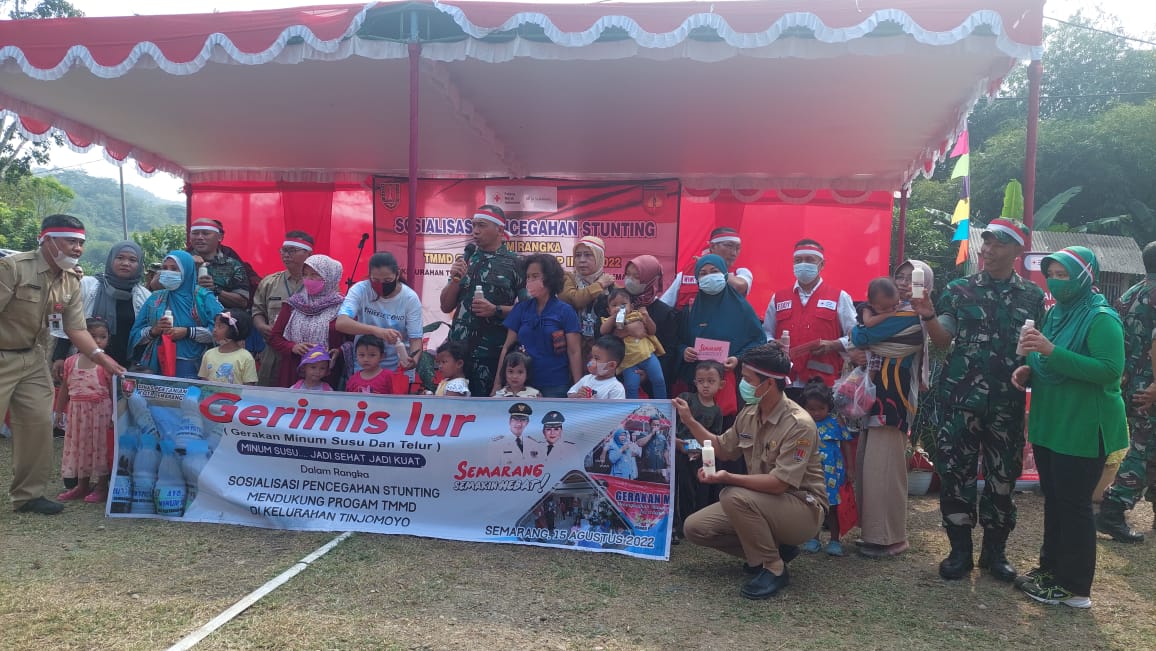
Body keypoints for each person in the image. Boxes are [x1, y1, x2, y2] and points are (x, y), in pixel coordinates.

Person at [912, 218, 1046, 581]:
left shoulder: (1033, 297)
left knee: (1004, 478)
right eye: (986, 243)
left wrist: (1031, 370)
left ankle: (994, 553)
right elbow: (943, 339)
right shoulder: (959, 290)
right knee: (956, 474)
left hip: (1007, 403)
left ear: (1017, 250)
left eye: (998, 244)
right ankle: (959, 552)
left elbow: (1037, 348)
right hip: (960, 400)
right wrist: (928, 316)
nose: (988, 250)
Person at [1011, 246, 1128, 608]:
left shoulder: (1101, 318)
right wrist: (1030, 369)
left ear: (1085, 276)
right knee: (1055, 501)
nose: (1056, 282)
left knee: (1074, 505)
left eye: (1064, 275)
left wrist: (1050, 352)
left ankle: (1075, 589)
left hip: (1083, 425)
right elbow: (1047, 360)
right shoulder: (1056, 314)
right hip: (1052, 422)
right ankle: (1051, 571)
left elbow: (1110, 371)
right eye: (1052, 275)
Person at [674, 342, 827, 600]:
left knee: (732, 495)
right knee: (695, 528)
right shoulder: (749, 414)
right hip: (763, 503)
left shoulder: (799, 424)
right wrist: (689, 420)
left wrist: (728, 478)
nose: (742, 384)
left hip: (802, 508)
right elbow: (722, 448)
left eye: (747, 379)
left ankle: (773, 567)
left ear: (769, 384)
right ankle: (776, 550)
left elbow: (780, 484)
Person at [0, 214, 125, 515]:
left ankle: (27, 496)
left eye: (81, 242)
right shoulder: (12, 268)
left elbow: (76, 328)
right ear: (48, 240)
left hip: (33, 357)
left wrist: (104, 360)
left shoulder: (71, 279)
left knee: (38, 424)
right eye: (71, 241)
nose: (78, 248)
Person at [849, 261, 933, 559]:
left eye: (913, 278)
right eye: (900, 276)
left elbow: (861, 337)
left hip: (893, 398)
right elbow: (861, 337)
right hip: (878, 396)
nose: (904, 283)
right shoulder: (896, 312)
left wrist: (863, 331)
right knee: (870, 465)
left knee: (884, 467)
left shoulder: (911, 316)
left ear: (926, 285)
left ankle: (890, 537)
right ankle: (875, 533)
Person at [1096, 241, 1156, 543]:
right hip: (1150, 388)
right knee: (1143, 450)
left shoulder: (1130, 293)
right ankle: (1112, 510)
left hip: (1129, 383)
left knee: (1149, 447)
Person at [442, 205, 524, 397]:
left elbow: (528, 309)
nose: (475, 231)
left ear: (499, 230)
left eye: (481, 225)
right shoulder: (466, 260)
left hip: (491, 356)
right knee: (455, 409)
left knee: (486, 409)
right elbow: (445, 306)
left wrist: (496, 310)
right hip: (458, 356)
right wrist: (455, 280)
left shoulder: (516, 263)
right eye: (473, 225)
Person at [677, 254, 767, 415]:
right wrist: (684, 351)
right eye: (703, 273)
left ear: (725, 274)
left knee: (730, 425)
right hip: (698, 386)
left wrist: (738, 358)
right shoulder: (690, 309)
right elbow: (677, 341)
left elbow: (759, 341)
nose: (709, 276)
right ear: (697, 279)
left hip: (733, 384)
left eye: (714, 271)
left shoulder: (742, 308)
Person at [762, 239, 857, 389]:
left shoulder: (839, 297)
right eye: (798, 260)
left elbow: (855, 336)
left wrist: (833, 345)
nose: (803, 264)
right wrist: (772, 343)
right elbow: (766, 333)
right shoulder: (778, 298)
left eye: (809, 260)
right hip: (784, 381)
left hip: (822, 386)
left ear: (822, 265)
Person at [53, 240, 150, 373]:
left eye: (132, 260)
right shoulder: (87, 286)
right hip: (85, 365)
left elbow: (144, 336)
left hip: (126, 368)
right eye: (120, 258)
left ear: (139, 265)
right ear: (111, 260)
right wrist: (59, 356)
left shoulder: (144, 296)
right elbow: (68, 320)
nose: (125, 263)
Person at [494, 253, 582, 398]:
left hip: (555, 385)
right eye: (528, 277)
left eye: (535, 276)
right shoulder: (521, 308)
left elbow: (574, 351)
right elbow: (506, 348)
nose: (530, 281)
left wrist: (577, 387)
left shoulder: (565, 311)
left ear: (549, 278)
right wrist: (497, 383)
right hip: (522, 386)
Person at [129, 250, 225, 379]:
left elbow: (221, 332)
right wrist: (154, 331)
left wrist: (188, 332)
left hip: (194, 367)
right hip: (157, 364)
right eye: (165, 268)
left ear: (187, 270)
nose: (168, 272)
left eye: (174, 269)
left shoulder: (203, 298)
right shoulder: (155, 298)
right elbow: (135, 334)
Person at [53, 318, 115, 504]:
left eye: (102, 337)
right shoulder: (70, 362)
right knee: (80, 448)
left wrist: (114, 415)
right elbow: (65, 389)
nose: (97, 341)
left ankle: (102, 486)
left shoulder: (107, 363)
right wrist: (58, 412)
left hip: (100, 414)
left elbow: (113, 391)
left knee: (100, 448)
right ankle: (82, 485)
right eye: (92, 336)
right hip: (77, 414)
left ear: (108, 339)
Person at [335, 251, 424, 376]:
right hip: (365, 369)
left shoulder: (410, 298)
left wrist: (413, 360)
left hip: (398, 370)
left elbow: (416, 338)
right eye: (375, 280)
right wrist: (376, 331)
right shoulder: (360, 290)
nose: (381, 285)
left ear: (397, 274)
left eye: (387, 280)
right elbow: (341, 323)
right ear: (369, 275)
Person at [269, 254, 346, 388]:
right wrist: (292, 347)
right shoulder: (293, 304)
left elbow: (353, 341)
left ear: (329, 276)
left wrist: (339, 351)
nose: (309, 279)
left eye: (314, 274)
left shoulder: (343, 307)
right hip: (294, 371)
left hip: (326, 374)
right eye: (305, 275)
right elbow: (274, 337)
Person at [798, 378, 854, 556]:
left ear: (828, 406)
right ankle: (813, 539)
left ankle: (835, 540)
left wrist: (850, 468)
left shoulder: (837, 422)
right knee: (813, 506)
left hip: (833, 474)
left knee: (833, 507)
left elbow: (846, 444)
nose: (816, 413)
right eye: (811, 408)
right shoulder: (802, 423)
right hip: (810, 473)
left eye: (820, 408)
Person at [673, 361, 726, 539]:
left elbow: (716, 437)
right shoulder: (686, 399)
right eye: (701, 381)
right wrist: (675, 441)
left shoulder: (717, 411)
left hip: (700, 457)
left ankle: (689, 524)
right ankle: (675, 525)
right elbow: (669, 419)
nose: (705, 385)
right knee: (677, 488)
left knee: (693, 490)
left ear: (721, 384)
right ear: (695, 382)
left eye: (711, 381)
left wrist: (702, 450)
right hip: (677, 452)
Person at [252, 232, 312, 385]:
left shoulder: (319, 283)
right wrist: (262, 326)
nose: (286, 255)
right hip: (273, 351)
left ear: (308, 254)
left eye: (292, 250)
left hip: (305, 351)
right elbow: (257, 310)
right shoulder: (270, 282)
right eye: (284, 250)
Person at [623, 254, 678, 397]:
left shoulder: (665, 312)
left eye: (636, 276)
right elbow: (605, 334)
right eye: (628, 274)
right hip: (622, 376)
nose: (630, 280)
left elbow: (669, 351)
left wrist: (649, 373)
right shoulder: (618, 302)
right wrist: (626, 331)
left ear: (650, 279)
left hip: (654, 382)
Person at [661, 226, 754, 308]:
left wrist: (714, 267)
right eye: (729, 246)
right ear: (712, 247)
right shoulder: (685, 274)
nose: (734, 253)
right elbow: (664, 306)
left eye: (738, 248)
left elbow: (739, 287)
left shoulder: (741, 273)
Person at [601, 287, 666, 399]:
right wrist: (613, 317)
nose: (618, 308)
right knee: (631, 386)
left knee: (658, 380)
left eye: (623, 304)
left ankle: (662, 404)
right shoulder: (610, 321)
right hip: (628, 362)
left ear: (631, 307)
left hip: (647, 355)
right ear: (608, 310)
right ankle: (632, 408)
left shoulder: (637, 315)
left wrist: (647, 317)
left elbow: (652, 331)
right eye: (614, 305)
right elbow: (603, 331)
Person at [560, 235, 615, 352]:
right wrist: (599, 285)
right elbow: (574, 299)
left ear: (599, 257)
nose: (582, 260)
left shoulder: (610, 284)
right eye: (578, 255)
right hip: (572, 348)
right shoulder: (568, 278)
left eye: (588, 255)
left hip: (604, 349)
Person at [186, 218, 253, 309]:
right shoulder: (178, 262)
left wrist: (214, 289)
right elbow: (166, 287)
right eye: (195, 233)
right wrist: (188, 268)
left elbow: (242, 302)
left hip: (223, 315)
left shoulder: (233, 265)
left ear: (219, 237)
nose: (199, 237)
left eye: (206, 233)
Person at [199, 311, 258, 385]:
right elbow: (204, 380)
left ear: (233, 331)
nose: (214, 329)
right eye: (215, 325)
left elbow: (248, 385)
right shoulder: (208, 354)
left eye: (220, 326)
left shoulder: (246, 357)